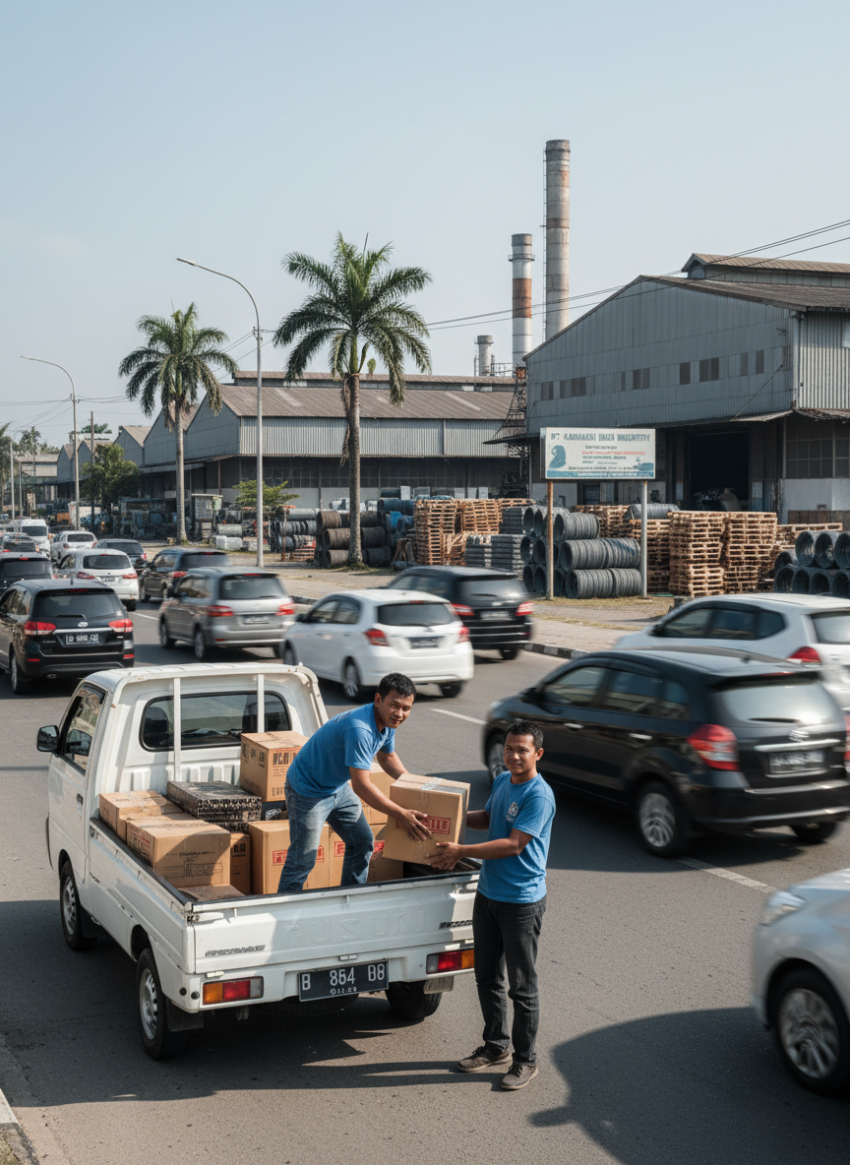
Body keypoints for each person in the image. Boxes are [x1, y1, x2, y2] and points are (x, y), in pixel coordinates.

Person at [429, 720, 555, 1092]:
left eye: (522, 750)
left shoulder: (539, 795)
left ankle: (526, 1060)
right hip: (488, 896)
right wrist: (444, 825)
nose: (514, 756)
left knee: (522, 986)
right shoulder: (503, 782)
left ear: (538, 754)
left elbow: (514, 844)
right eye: (509, 748)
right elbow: (488, 819)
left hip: (521, 903)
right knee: (486, 976)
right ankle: (496, 1045)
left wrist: (461, 851)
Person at [278, 672, 431, 893]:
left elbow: (387, 757)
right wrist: (401, 814)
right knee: (303, 858)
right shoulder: (360, 729)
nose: (399, 714)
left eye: (406, 708)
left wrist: (413, 783)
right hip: (307, 790)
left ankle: (351, 898)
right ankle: (285, 909)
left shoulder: (387, 724)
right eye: (394, 705)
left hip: (336, 787)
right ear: (378, 700)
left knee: (362, 842)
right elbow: (361, 786)